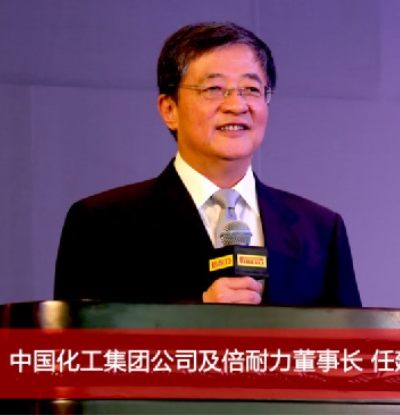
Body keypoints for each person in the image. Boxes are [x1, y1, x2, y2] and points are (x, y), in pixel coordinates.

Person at [53, 22, 362, 307]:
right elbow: (82, 344)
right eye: (213, 89)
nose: (236, 105)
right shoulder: (101, 224)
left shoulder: (319, 229)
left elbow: (350, 345)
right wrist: (198, 314)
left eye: (251, 89)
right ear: (169, 109)